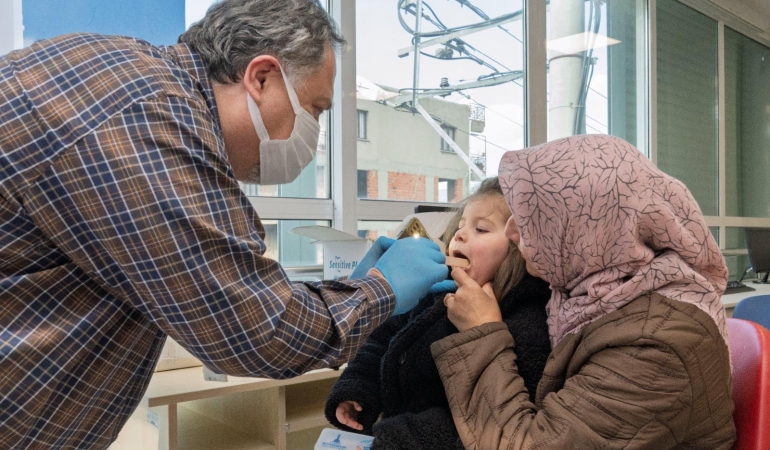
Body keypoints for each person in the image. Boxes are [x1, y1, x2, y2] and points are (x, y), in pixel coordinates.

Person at [0, 1, 448, 448]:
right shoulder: (145, 116)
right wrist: (379, 290)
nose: (313, 131)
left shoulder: (132, 83)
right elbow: (260, 332)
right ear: (261, 77)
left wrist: (357, 291)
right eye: (315, 108)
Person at [433, 135, 736, 449]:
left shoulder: (656, 347)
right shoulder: (591, 296)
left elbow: (530, 444)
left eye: (532, 218)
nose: (511, 231)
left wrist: (481, 331)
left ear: (589, 228)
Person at [324, 178, 553, 450]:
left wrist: (395, 439)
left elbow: (483, 419)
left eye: (480, 229)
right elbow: (382, 342)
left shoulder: (529, 322)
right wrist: (358, 390)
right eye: (460, 226)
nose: (459, 235)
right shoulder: (436, 294)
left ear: (519, 247)